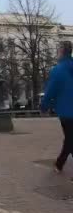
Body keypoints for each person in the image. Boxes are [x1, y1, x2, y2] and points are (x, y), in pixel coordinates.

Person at [41, 41, 73, 176]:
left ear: (61, 51)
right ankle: (59, 163)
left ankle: (59, 164)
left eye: (57, 51)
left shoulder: (58, 70)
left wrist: (44, 106)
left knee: (70, 139)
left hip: (67, 111)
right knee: (70, 139)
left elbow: (51, 91)